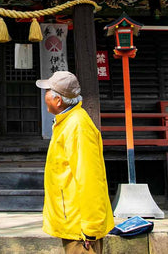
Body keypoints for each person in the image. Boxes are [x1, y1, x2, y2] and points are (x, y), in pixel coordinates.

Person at [36, 70, 114, 253]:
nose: (44, 95)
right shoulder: (67, 122)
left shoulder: (77, 126)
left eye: (48, 91)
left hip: (80, 224)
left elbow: (89, 178)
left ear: (58, 100)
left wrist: (91, 227)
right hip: (71, 216)